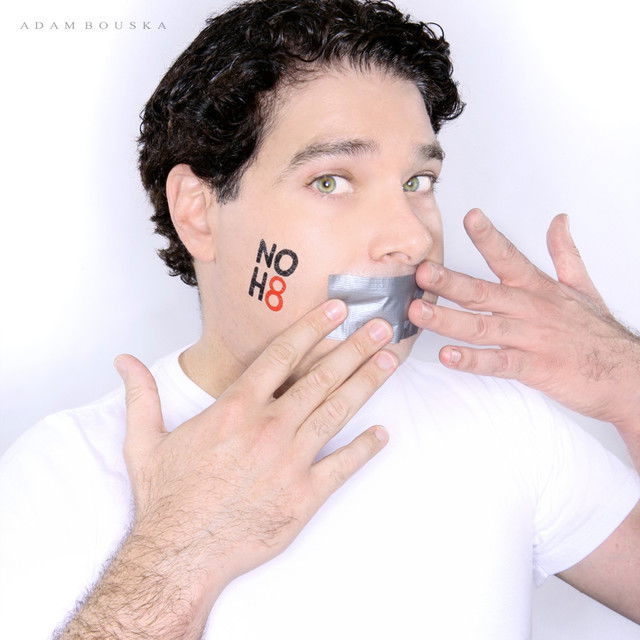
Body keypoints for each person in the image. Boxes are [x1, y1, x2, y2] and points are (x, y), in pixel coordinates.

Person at [1, 0, 639, 637]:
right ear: (197, 211)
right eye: (331, 181)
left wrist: (625, 382)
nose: (410, 239)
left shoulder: (503, 422)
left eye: (418, 181)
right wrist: (179, 551)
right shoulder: (60, 473)